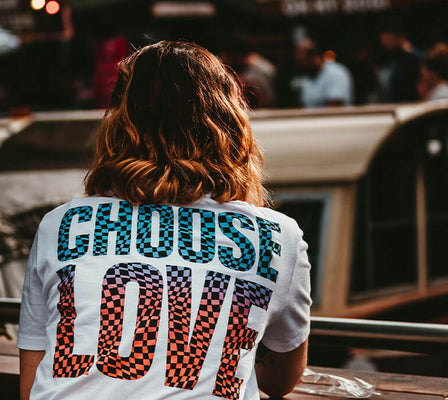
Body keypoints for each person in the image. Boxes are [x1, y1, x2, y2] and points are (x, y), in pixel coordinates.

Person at [18, 41, 312, 400]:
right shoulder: (277, 236)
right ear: (229, 125)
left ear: (118, 126)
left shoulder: (60, 225)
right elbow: (280, 382)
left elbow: (32, 383)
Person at [294, 38, 353, 107]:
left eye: (301, 61)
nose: (299, 65)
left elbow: (334, 108)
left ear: (313, 56)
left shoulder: (336, 73)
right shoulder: (307, 77)